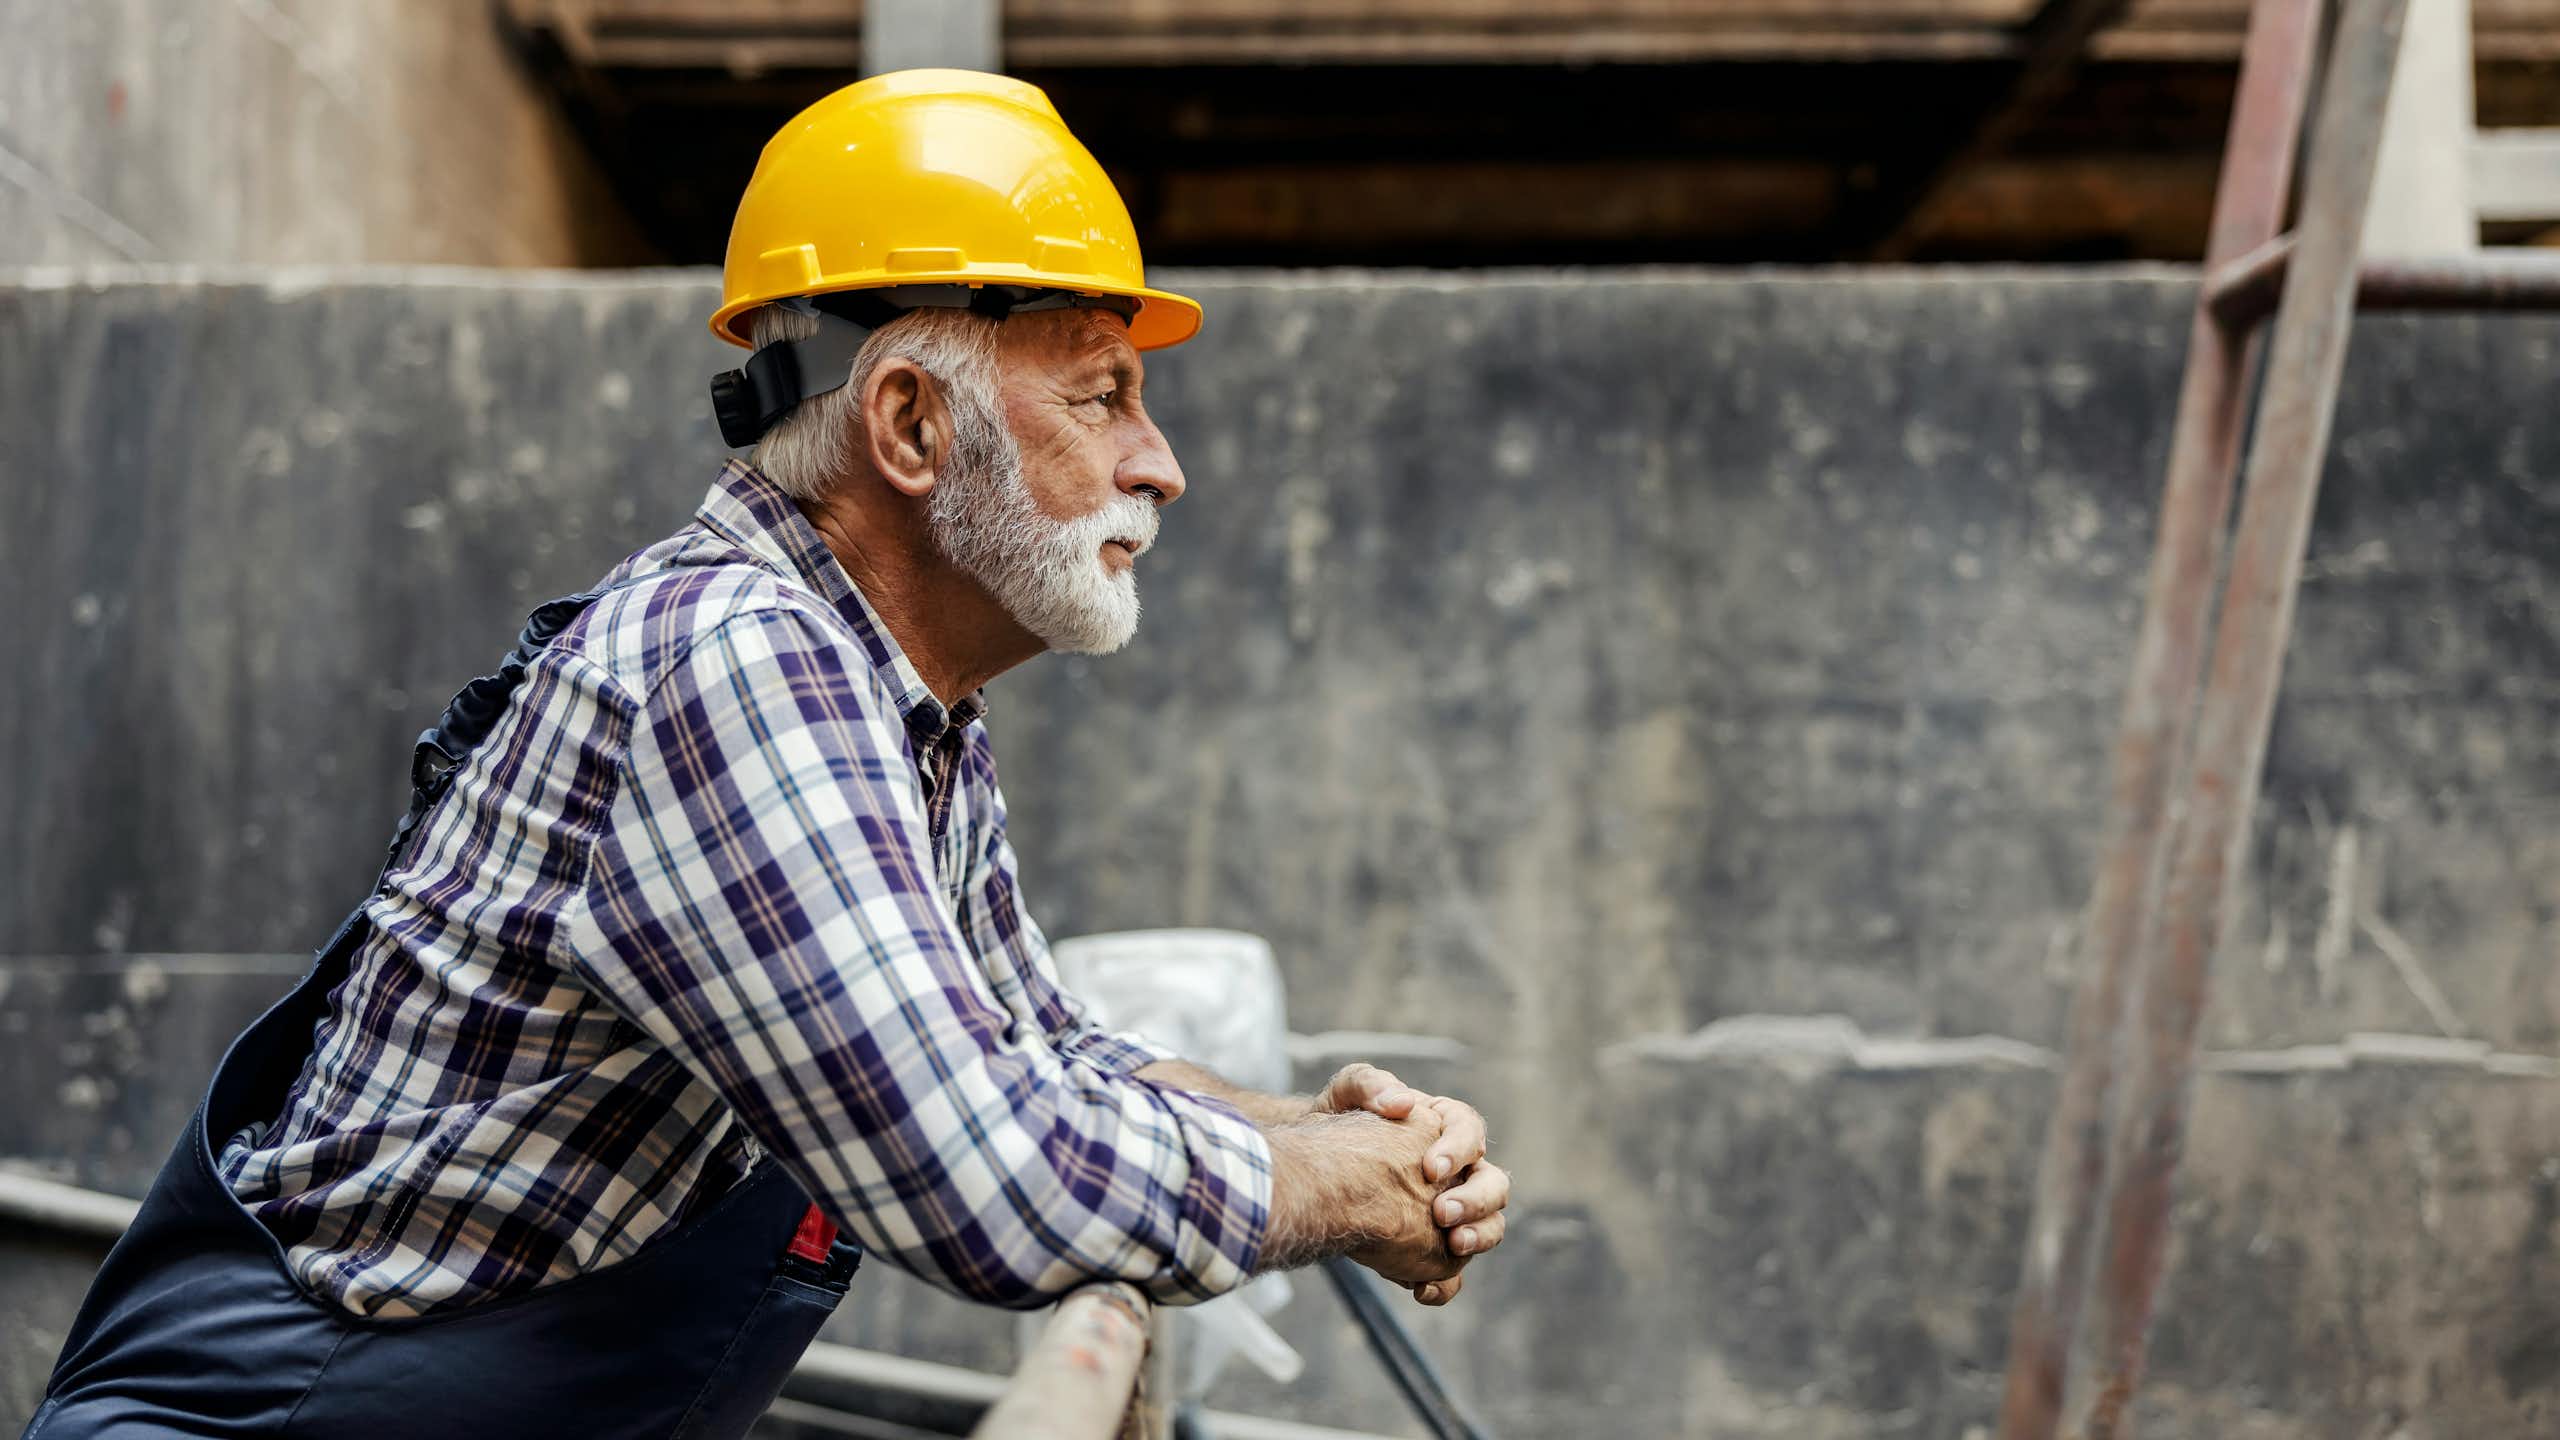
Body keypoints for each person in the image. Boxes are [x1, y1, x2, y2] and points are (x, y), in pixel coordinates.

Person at [24, 68, 1507, 1440]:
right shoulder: (738, 664)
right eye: (1100, 392)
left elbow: (1037, 1052)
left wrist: (1316, 1128)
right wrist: (1333, 1188)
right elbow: (989, 1180)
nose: (1160, 462)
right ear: (911, 424)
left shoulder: (899, 704)